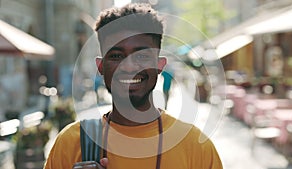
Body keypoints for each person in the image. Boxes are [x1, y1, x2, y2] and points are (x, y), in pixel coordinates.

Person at [43, 3, 223, 169]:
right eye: (116, 56)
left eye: (142, 56)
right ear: (100, 66)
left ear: (160, 65)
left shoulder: (196, 147)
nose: (128, 66)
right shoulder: (69, 143)